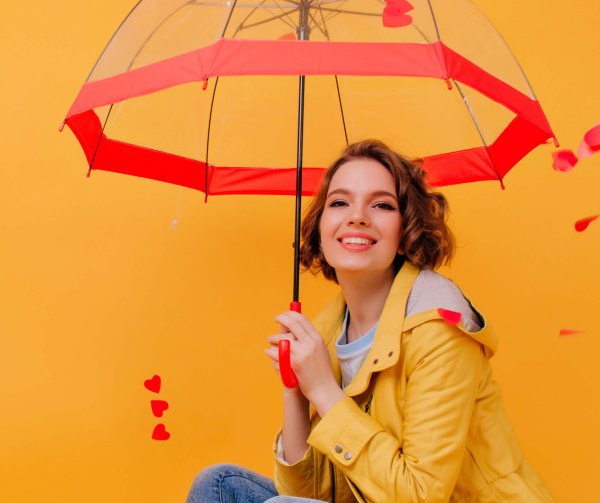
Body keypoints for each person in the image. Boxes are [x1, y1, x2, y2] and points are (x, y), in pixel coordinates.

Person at [186, 139, 555, 503]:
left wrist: (325, 391)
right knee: (218, 485)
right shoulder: (330, 329)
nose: (357, 216)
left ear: (405, 231)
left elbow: (419, 496)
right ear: (321, 227)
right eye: (340, 202)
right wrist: (296, 391)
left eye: (381, 205)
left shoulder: (439, 327)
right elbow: (312, 495)